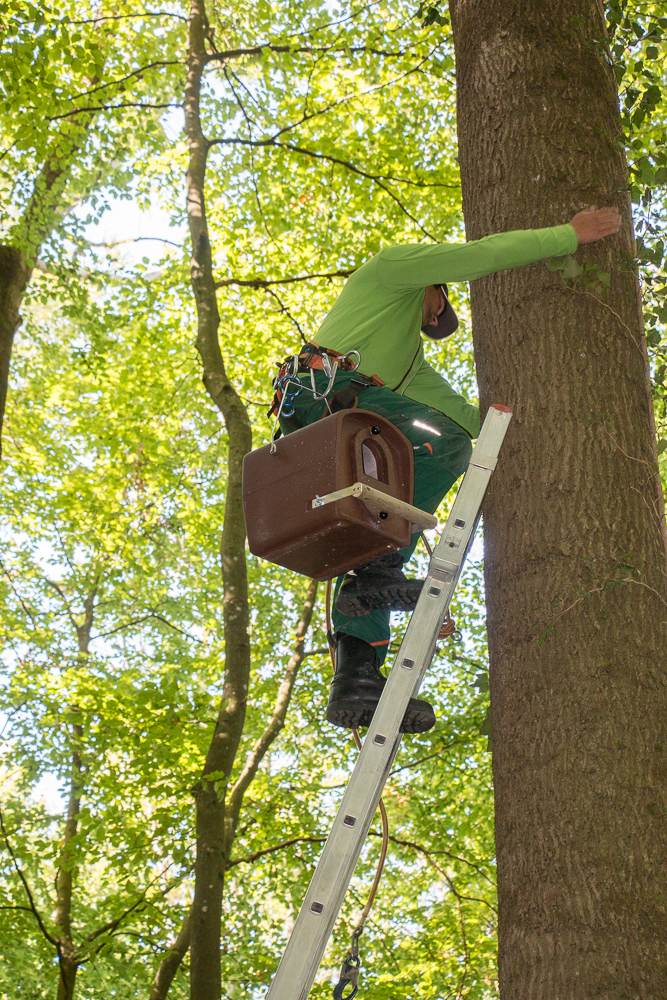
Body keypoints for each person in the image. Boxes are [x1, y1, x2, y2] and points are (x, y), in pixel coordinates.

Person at [274, 206, 621, 733]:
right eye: (438, 303)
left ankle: (358, 676)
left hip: (342, 411)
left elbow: (466, 422)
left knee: (378, 517)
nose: (434, 316)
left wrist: (528, 433)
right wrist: (567, 235)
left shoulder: (405, 364)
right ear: (430, 285)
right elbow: (480, 256)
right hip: (322, 391)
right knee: (441, 455)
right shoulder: (395, 267)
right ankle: (377, 569)